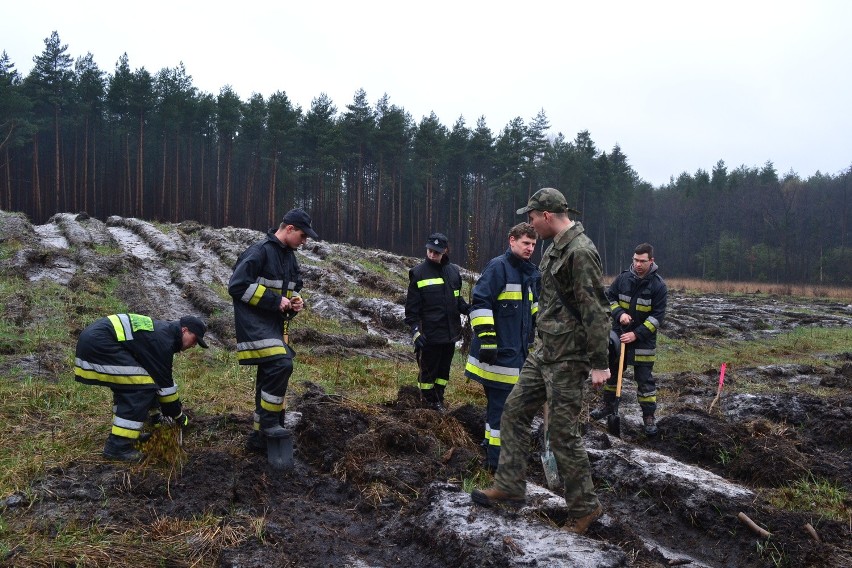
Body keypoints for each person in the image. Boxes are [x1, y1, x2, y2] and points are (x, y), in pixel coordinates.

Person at [471, 187, 611, 535]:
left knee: (563, 434)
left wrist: (599, 362)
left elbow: (595, 308)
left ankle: (585, 509)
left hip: (568, 358)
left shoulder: (580, 251)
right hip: (544, 352)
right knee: (514, 412)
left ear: (546, 215)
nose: (529, 224)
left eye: (531, 217)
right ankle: (510, 484)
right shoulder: (554, 248)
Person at [229, 208, 317, 452]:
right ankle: (269, 422)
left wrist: (296, 300)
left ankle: (259, 439)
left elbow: (291, 288)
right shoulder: (259, 252)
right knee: (281, 364)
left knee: (270, 372)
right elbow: (237, 286)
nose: (304, 241)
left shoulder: (289, 256)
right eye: (302, 235)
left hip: (274, 325)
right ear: (289, 229)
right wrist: (274, 301)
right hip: (254, 325)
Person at [74, 313, 208, 462]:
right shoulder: (163, 342)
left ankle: (128, 437)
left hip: (97, 341)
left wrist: (156, 414)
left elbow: (155, 381)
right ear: (184, 330)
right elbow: (165, 389)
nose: (194, 345)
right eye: (195, 340)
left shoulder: (163, 334)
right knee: (140, 388)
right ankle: (117, 447)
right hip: (99, 345)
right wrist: (178, 416)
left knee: (133, 385)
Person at [465, 222, 540, 471]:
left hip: (515, 356)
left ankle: (490, 449)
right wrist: (487, 339)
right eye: (525, 243)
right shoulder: (499, 267)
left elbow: (532, 310)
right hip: (498, 356)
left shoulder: (529, 273)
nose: (530, 248)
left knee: (498, 410)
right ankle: (497, 465)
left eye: (533, 244)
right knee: (503, 412)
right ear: (512, 241)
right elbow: (480, 302)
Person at [591, 242, 668, 436]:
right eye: (635, 260)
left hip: (644, 339)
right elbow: (609, 298)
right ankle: (608, 405)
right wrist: (619, 315)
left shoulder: (658, 286)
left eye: (642, 261)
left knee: (644, 380)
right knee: (613, 371)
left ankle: (649, 417)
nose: (638, 264)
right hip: (619, 334)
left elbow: (657, 318)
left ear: (651, 261)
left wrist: (637, 334)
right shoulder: (623, 278)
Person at [404, 232, 470, 412]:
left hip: (450, 335)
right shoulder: (418, 273)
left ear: (445, 251)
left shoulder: (454, 272)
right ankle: (427, 404)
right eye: (430, 251)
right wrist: (416, 332)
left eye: (437, 252)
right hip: (430, 335)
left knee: (443, 372)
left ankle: (439, 399)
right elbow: (412, 310)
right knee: (428, 373)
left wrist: (469, 309)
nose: (432, 255)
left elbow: (457, 300)